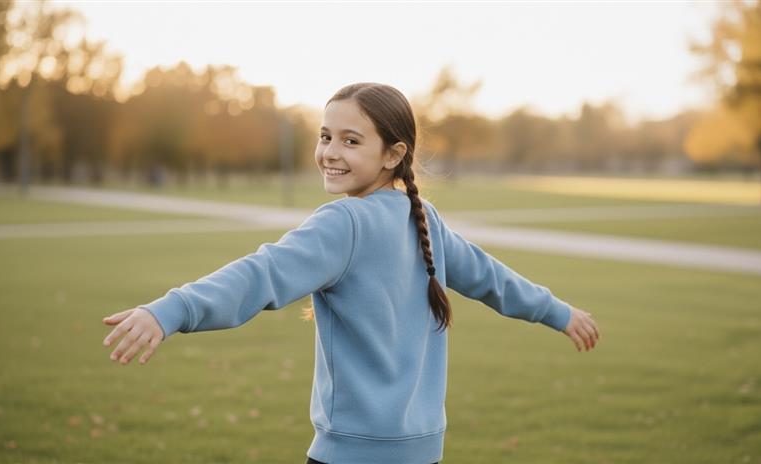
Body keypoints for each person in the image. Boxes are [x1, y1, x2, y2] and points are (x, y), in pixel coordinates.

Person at [102, 82, 600, 464]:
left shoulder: (345, 222)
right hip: (423, 451)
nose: (330, 152)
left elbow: (261, 275)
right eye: (325, 137)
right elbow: (498, 281)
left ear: (393, 154)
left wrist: (170, 310)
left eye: (351, 140)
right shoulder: (420, 215)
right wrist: (559, 312)